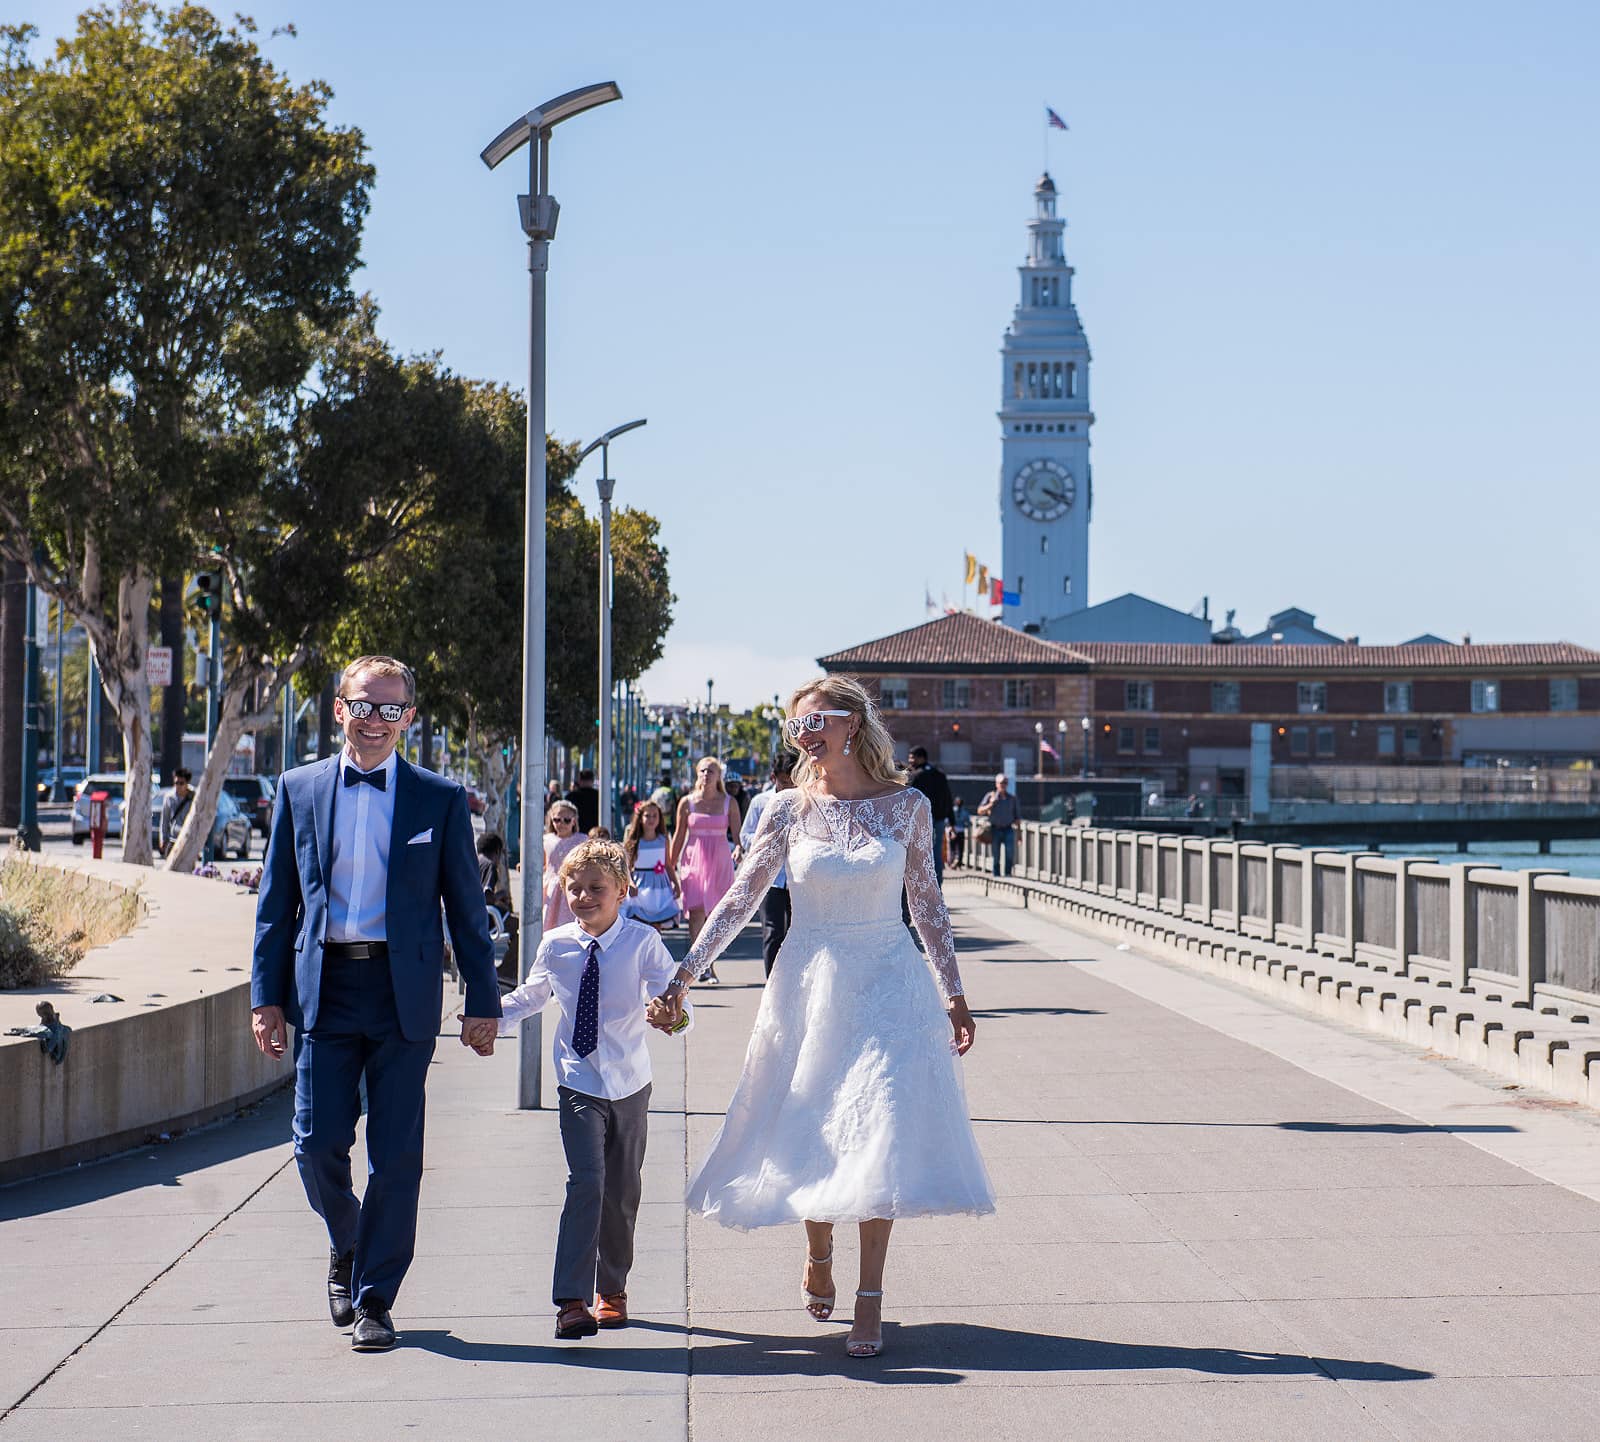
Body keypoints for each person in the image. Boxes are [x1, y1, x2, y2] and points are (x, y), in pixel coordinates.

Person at [648, 676, 992, 1360]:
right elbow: (740, 899)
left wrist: (953, 991)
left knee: (879, 1129)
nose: (807, 735)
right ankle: (817, 1245)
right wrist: (683, 975)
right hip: (808, 980)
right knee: (813, 1126)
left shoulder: (908, 807)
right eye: (797, 727)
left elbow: (926, 905)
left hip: (891, 980)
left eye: (820, 721)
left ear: (854, 724)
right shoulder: (782, 808)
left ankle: (871, 1298)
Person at [250, 655, 500, 1354]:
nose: (376, 719)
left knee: (396, 1157)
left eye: (391, 709)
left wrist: (483, 998)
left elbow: (466, 907)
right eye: (364, 705)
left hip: (403, 995)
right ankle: (347, 1241)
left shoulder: (439, 798)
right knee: (315, 1143)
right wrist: (265, 997)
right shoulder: (298, 789)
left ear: (409, 719)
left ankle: (374, 1298)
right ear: (339, 708)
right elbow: (276, 906)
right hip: (325, 990)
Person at [495, 840, 680, 1340]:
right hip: (578, 1081)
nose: (583, 897)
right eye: (573, 888)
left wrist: (673, 1016)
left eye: (596, 888)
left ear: (622, 890)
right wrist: (491, 1021)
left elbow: (671, 993)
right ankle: (571, 1301)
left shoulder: (641, 942)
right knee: (587, 1183)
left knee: (622, 1191)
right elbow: (532, 995)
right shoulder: (556, 945)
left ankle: (611, 1290)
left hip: (630, 1082)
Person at [669, 757, 738, 982]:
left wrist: (739, 849)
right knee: (696, 911)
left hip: (719, 861)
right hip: (693, 861)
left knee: (715, 915)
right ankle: (700, 965)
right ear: (697, 774)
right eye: (702, 771)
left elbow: (738, 837)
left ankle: (709, 962)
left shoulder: (729, 802)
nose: (706, 775)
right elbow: (679, 836)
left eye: (711, 771)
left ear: (719, 776)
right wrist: (670, 868)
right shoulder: (687, 802)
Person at [738, 753, 796, 976]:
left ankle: (795, 981)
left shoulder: (805, 800)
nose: (789, 786)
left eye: (793, 781)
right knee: (773, 931)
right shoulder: (760, 802)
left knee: (797, 931)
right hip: (770, 877)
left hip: (797, 877)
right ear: (774, 777)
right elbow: (745, 835)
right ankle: (772, 981)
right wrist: (769, 840)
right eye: (784, 781)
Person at [621, 800, 680, 931]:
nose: (651, 819)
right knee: (640, 923)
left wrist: (675, 883)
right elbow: (626, 867)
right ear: (640, 818)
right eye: (647, 815)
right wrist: (630, 884)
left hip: (660, 886)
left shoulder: (663, 840)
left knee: (657, 924)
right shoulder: (633, 842)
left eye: (655, 815)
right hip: (640, 888)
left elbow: (668, 865)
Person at [905, 748, 954, 886]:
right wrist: (952, 820)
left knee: (919, 852)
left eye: (912, 758)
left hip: (920, 820)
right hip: (938, 820)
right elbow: (948, 798)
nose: (910, 761)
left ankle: (922, 884)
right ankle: (937, 884)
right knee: (936, 852)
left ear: (921, 758)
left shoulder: (916, 776)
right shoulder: (939, 775)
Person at [477, 832, 518, 978]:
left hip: (469, 916)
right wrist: (501, 895)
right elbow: (486, 896)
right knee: (520, 929)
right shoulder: (489, 865)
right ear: (497, 851)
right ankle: (506, 971)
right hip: (484, 918)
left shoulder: (475, 861)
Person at [544, 800, 583, 929]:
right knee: (548, 922)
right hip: (550, 888)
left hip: (572, 887)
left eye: (566, 820)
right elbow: (543, 864)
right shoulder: (546, 840)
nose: (561, 824)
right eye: (557, 820)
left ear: (574, 821)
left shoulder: (582, 840)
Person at [977, 773, 1018, 877]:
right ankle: (996, 875)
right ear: (996, 784)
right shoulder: (990, 796)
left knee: (1010, 853)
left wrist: (1020, 834)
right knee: (996, 855)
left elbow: (1017, 817)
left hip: (1008, 829)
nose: (1003, 785)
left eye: (1005, 783)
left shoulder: (1012, 798)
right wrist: (991, 804)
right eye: (1001, 783)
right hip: (995, 829)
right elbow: (980, 811)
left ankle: (1008, 874)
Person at [158, 767, 195, 859]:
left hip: (188, 840)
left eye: (181, 783)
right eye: (176, 783)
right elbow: (165, 819)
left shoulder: (194, 797)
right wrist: (163, 839)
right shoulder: (169, 797)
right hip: (173, 839)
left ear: (187, 783)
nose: (178, 786)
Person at [566, 769, 600, 834]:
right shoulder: (599, 796)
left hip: (576, 832)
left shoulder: (571, 796)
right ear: (592, 781)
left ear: (579, 781)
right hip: (594, 832)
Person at [949, 798, 970, 868]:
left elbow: (947, 821)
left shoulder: (951, 810)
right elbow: (968, 823)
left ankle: (952, 863)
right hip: (959, 831)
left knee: (953, 848)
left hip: (953, 830)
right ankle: (958, 864)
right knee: (960, 849)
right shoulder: (965, 812)